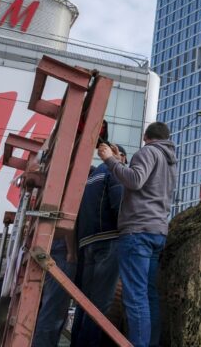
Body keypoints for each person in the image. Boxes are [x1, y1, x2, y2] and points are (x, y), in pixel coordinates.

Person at [97, 123, 178, 347]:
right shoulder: (169, 160)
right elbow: (143, 181)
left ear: (145, 136)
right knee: (149, 295)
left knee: (135, 297)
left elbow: (135, 180)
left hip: (137, 232)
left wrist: (109, 160)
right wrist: (119, 161)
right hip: (156, 232)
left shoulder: (147, 151)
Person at [71, 145, 126, 346]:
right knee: (101, 306)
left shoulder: (90, 178)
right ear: (121, 157)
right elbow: (120, 205)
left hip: (87, 244)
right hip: (109, 240)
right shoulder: (114, 170)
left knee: (85, 303)